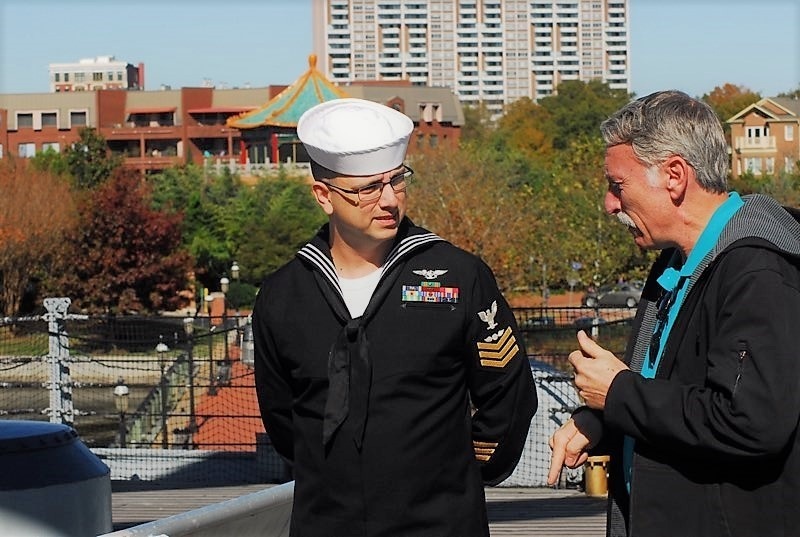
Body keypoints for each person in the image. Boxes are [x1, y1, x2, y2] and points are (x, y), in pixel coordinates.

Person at [253, 97, 537, 537]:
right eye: (367, 188)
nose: (388, 200)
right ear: (323, 195)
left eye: (397, 181)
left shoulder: (458, 276)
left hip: (439, 523)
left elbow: (508, 395)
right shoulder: (283, 295)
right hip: (325, 523)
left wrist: (456, 474)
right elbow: (283, 418)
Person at [548, 90, 800, 537]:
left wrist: (619, 395)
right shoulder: (674, 262)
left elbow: (751, 423)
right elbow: (675, 398)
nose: (609, 204)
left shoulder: (757, 272)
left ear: (675, 176)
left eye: (617, 185)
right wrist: (604, 419)